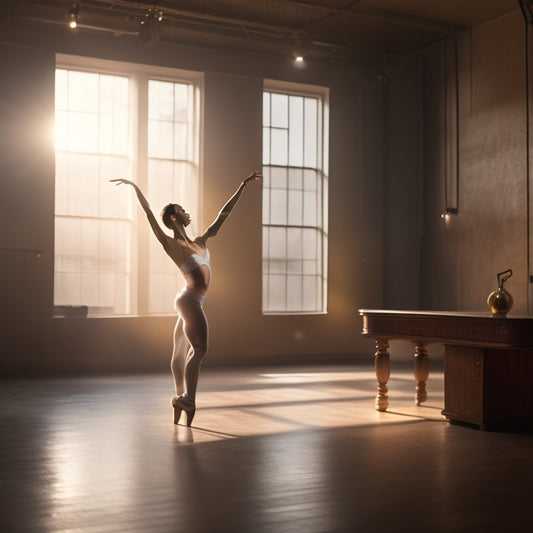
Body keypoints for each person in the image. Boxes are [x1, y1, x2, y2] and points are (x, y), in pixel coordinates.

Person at [111, 172, 261, 426]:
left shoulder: (201, 240)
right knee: (200, 349)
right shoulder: (172, 245)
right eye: (182, 210)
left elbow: (222, 216)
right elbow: (149, 214)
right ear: (173, 217)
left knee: (180, 348)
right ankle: (187, 398)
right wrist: (135, 187)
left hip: (192, 300)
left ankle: (180, 396)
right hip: (189, 300)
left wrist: (241, 186)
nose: (187, 213)